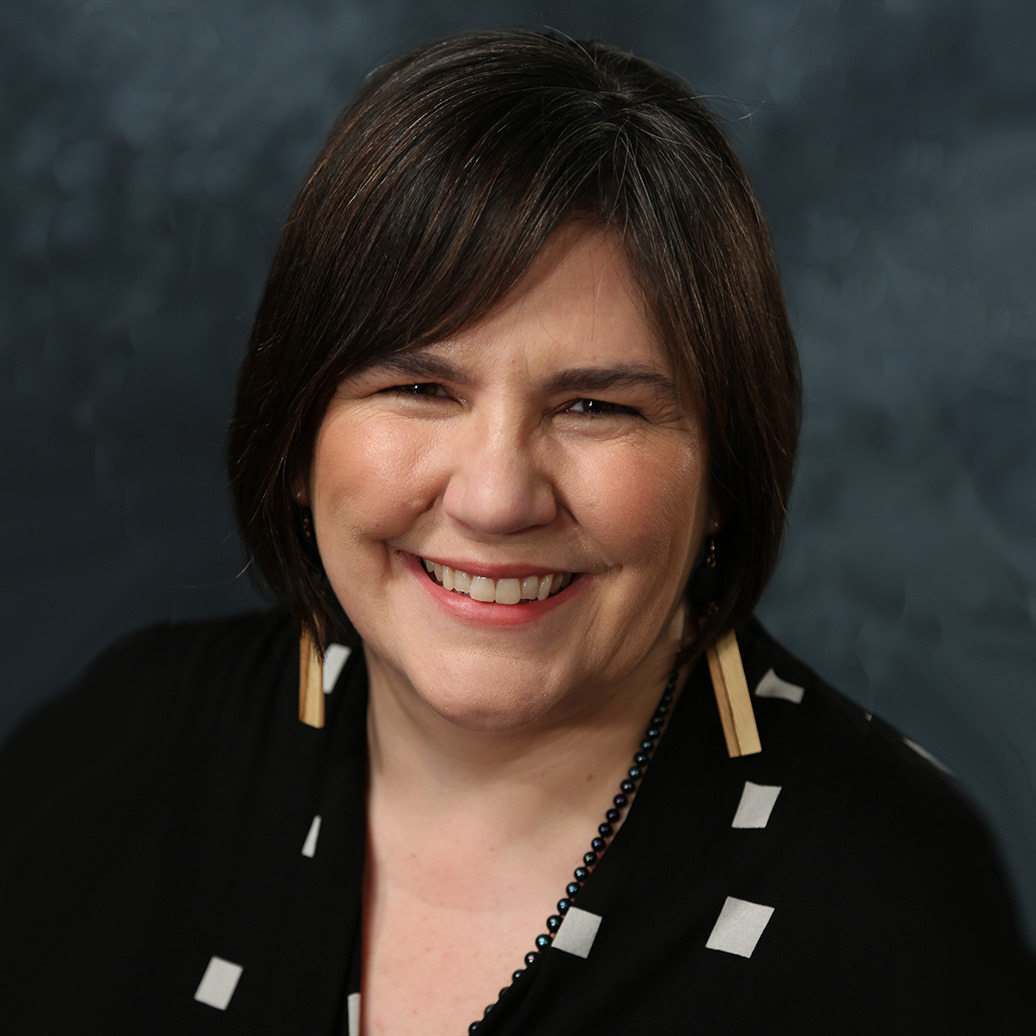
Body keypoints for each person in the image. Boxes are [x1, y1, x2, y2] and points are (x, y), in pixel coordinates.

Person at [1, 29, 1032, 1036]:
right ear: (298, 434)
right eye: (418, 387)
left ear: (722, 470)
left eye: (597, 407)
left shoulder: (892, 909)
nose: (497, 499)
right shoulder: (132, 744)